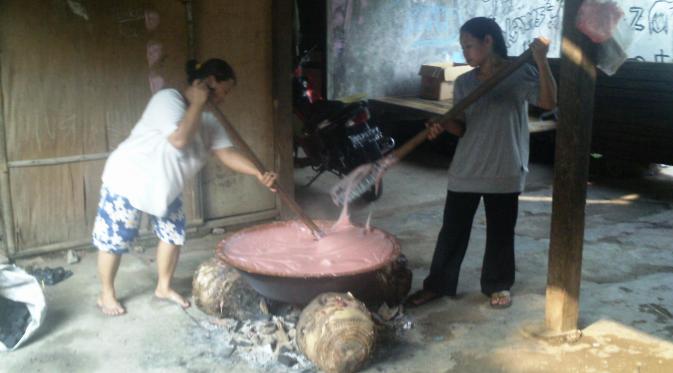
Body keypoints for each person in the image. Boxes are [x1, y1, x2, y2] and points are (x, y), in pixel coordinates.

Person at [93, 58, 277, 316]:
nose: (224, 98)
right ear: (209, 83)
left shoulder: (209, 122)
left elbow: (226, 153)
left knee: (172, 235)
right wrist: (199, 103)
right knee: (114, 239)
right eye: (224, 91)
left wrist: (258, 173)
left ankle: (164, 287)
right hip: (128, 179)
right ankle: (106, 294)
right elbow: (179, 139)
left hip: (165, 187)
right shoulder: (168, 100)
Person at [406, 17, 557, 309]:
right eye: (463, 47)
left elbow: (550, 103)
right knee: (452, 231)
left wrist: (541, 62)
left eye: (469, 46)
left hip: (505, 167)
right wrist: (443, 125)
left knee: (500, 233)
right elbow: (461, 127)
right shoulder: (464, 82)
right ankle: (438, 284)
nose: (465, 53)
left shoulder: (519, 73)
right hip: (467, 168)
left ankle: (498, 285)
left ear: (488, 41)